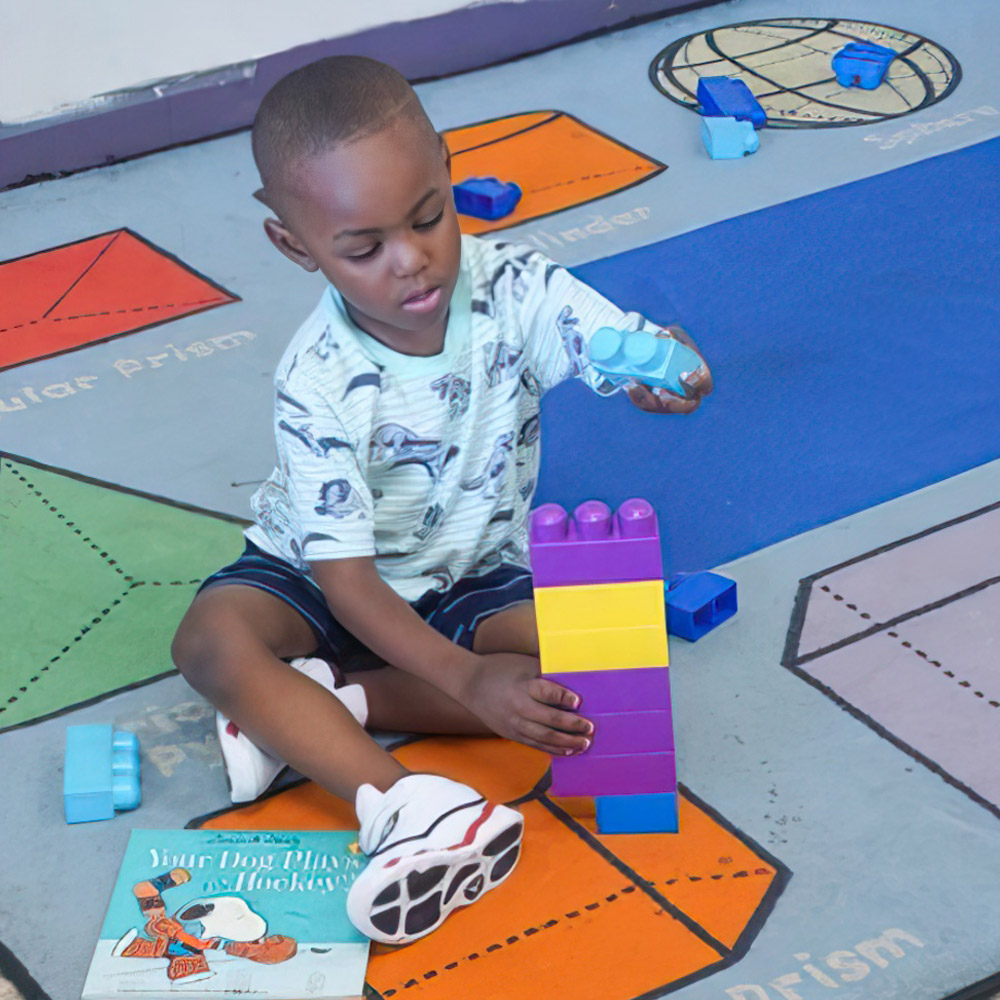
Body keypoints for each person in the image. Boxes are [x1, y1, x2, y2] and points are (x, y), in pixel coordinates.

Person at [171, 54, 713, 945]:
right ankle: (398, 805)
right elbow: (344, 583)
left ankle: (329, 701)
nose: (414, 261)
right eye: (364, 247)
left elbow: (625, 343)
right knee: (209, 643)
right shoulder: (318, 379)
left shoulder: (515, 288)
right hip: (320, 574)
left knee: (594, 679)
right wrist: (465, 678)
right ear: (296, 246)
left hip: (468, 569)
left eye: (430, 217)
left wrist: (669, 366)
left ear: (447, 169)